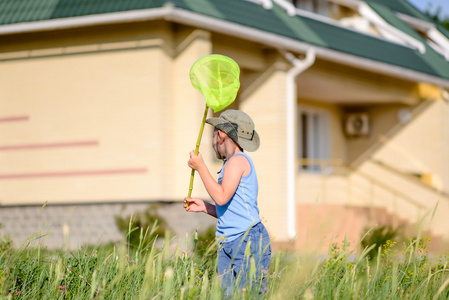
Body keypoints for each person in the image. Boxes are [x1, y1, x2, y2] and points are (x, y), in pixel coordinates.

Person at [184, 109, 271, 293]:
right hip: (230, 241)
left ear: (221, 135)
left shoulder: (237, 161)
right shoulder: (232, 163)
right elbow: (230, 207)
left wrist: (201, 167)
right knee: (230, 294)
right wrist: (205, 207)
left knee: (248, 294)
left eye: (214, 134)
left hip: (245, 239)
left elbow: (222, 196)